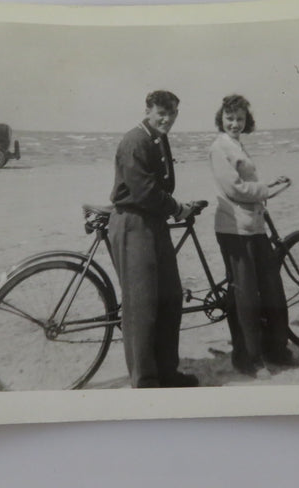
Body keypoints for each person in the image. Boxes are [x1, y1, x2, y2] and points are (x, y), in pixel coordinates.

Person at [108, 90, 200, 389]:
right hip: (134, 224)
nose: (167, 118)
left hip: (154, 223)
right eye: (161, 112)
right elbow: (145, 191)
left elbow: (162, 186)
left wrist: (173, 207)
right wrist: (176, 208)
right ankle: (146, 382)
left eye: (172, 113)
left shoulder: (157, 137)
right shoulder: (135, 140)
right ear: (147, 110)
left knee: (170, 298)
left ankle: (167, 372)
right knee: (142, 306)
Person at [209, 94, 296, 378]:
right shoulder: (219, 147)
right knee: (245, 296)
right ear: (221, 119)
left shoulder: (236, 145)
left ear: (247, 121)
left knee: (271, 287)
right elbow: (234, 188)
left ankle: (276, 349)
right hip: (234, 228)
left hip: (253, 225)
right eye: (230, 118)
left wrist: (266, 186)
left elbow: (246, 184)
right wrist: (266, 190)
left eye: (240, 119)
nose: (235, 123)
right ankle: (248, 359)